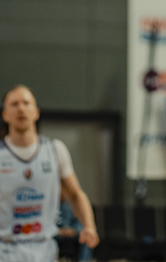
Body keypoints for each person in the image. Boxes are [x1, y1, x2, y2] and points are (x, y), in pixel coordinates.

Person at [0, 85, 99, 262]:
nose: (21, 108)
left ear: (36, 112)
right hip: (5, 248)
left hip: (44, 248)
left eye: (26, 103)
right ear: (5, 115)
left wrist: (89, 226)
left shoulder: (55, 150)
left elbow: (75, 194)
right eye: (14, 104)